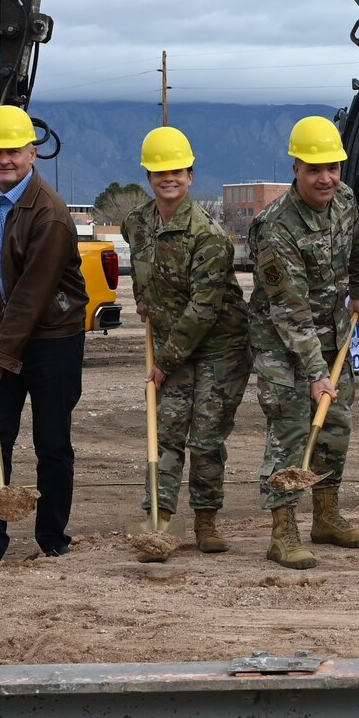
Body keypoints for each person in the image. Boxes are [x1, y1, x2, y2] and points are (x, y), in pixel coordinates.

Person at [0, 104, 88, 566]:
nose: (3, 159)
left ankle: (52, 536)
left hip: (53, 334)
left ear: (32, 153)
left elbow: (33, 295)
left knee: (53, 442)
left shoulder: (50, 214)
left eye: (13, 150)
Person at [121, 125, 251, 560]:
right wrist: (145, 299)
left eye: (176, 170)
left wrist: (163, 362)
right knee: (166, 432)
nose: (168, 178)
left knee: (207, 437)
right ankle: (157, 520)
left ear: (190, 175)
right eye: (159, 172)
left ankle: (206, 520)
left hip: (218, 347)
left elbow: (204, 308)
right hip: (173, 342)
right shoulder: (137, 223)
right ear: (149, 177)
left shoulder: (208, 235)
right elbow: (142, 263)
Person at [248, 116, 359, 569]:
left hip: (331, 330)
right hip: (282, 340)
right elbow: (289, 309)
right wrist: (316, 373)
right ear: (296, 169)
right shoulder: (275, 227)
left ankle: (326, 516)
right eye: (314, 169)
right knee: (291, 430)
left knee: (336, 425)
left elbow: (357, 246)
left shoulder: (344, 199)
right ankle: (283, 531)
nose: (326, 178)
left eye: (332, 168)